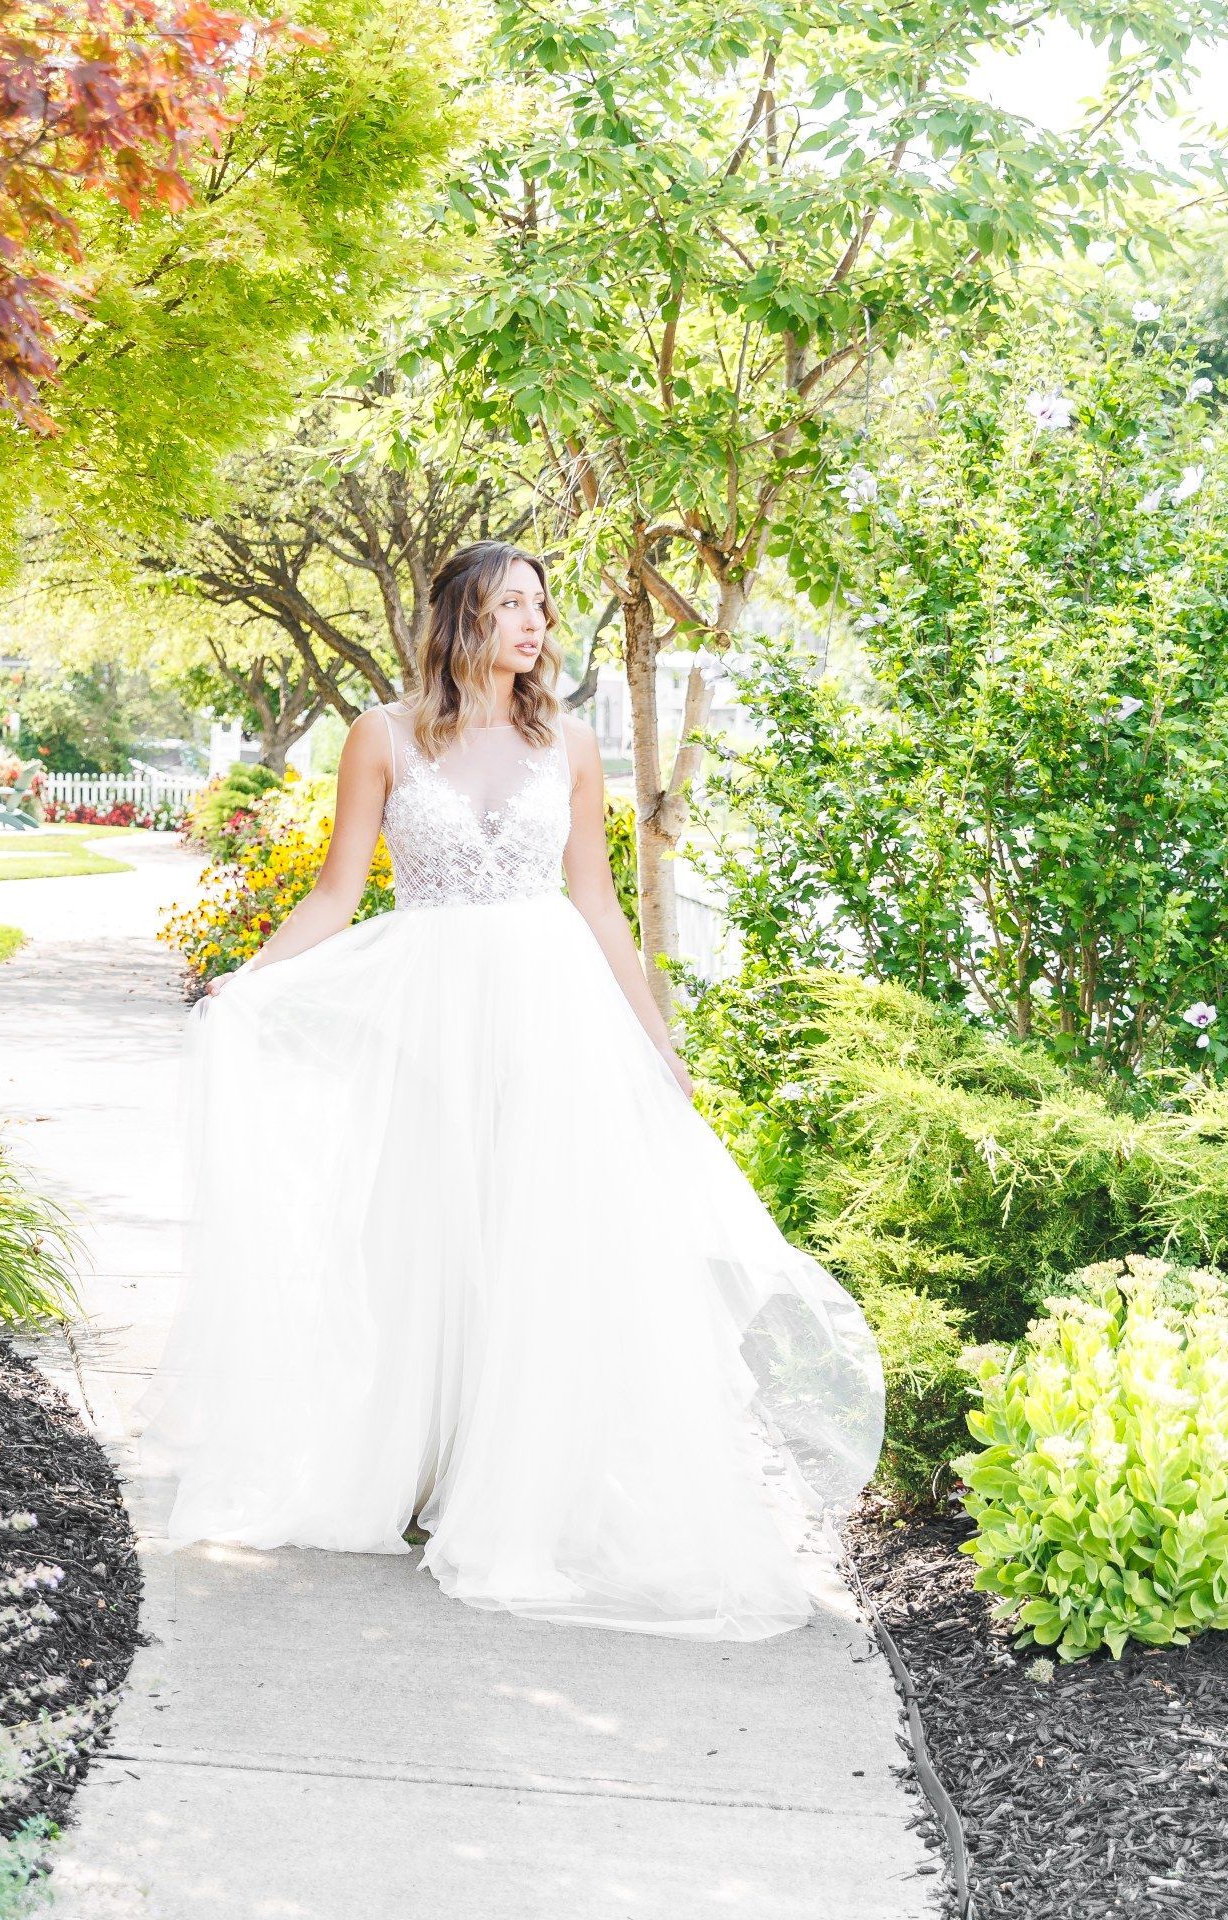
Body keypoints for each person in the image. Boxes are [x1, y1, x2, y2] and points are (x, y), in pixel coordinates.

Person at [145, 541, 883, 1639]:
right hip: (432, 1016)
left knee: (543, 1240)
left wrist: (656, 1040)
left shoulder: (572, 742)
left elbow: (596, 902)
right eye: (511, 605)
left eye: (542, 603)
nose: (535, 623)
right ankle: (416, 1471)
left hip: (553, 1018)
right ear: (459, 620)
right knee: (430, 1231)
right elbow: (339, 892)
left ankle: (528, 1483)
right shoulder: (381, 736)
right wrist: (246, 986)